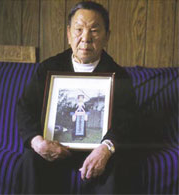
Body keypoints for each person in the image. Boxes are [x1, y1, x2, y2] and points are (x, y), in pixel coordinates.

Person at [14, 1, 145, 194]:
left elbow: (127, 120)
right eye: (79, 30)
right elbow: (24, 108)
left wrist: (106, 148)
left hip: (98, 152)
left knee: (119, 166)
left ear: (107, 36)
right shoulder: (48, 69)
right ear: (68, 34)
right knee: (31, 159)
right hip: (53, 149)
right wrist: (37, 142)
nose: (85, 38)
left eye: (94, 30)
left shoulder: (118, 75)